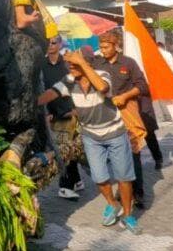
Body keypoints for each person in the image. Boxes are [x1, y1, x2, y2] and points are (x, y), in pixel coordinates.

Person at [38, 49, 140, 234]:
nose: (71, 67)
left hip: (115, 133)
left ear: (87, 64)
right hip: (91, 136)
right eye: (70, 64)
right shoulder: (69, 80)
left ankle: (128, 215)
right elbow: (49, 95)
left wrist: (82, 63)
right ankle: (112, 203)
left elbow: (102, 88)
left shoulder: (102, 74)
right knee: (99, 177)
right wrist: (28, 101)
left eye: (75, 64)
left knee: (124, 177)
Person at [93, 31, 161, 209]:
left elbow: (142, 86)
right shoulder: (97, 63)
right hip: (106, 114)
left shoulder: (128, 63)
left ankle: (138, 193)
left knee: (133, 154)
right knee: (113, 155)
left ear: (116, 46)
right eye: (101, 47)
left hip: (127, 113)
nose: (103, 50)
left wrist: (125, 96)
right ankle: (123, 190)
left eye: (106, 47)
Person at [40, 36, 83, 200]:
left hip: (70, 111)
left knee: (71, 148)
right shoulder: (40, 65)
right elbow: (40, 90)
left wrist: (75, 108)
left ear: (60, 45)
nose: (51, 46)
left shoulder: (66, 64)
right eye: (48, 42)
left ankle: (73, 180)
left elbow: (75, 85)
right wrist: (45, 113)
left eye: (54, 42)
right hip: (52, 114)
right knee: (64, 150)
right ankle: (66, 185)